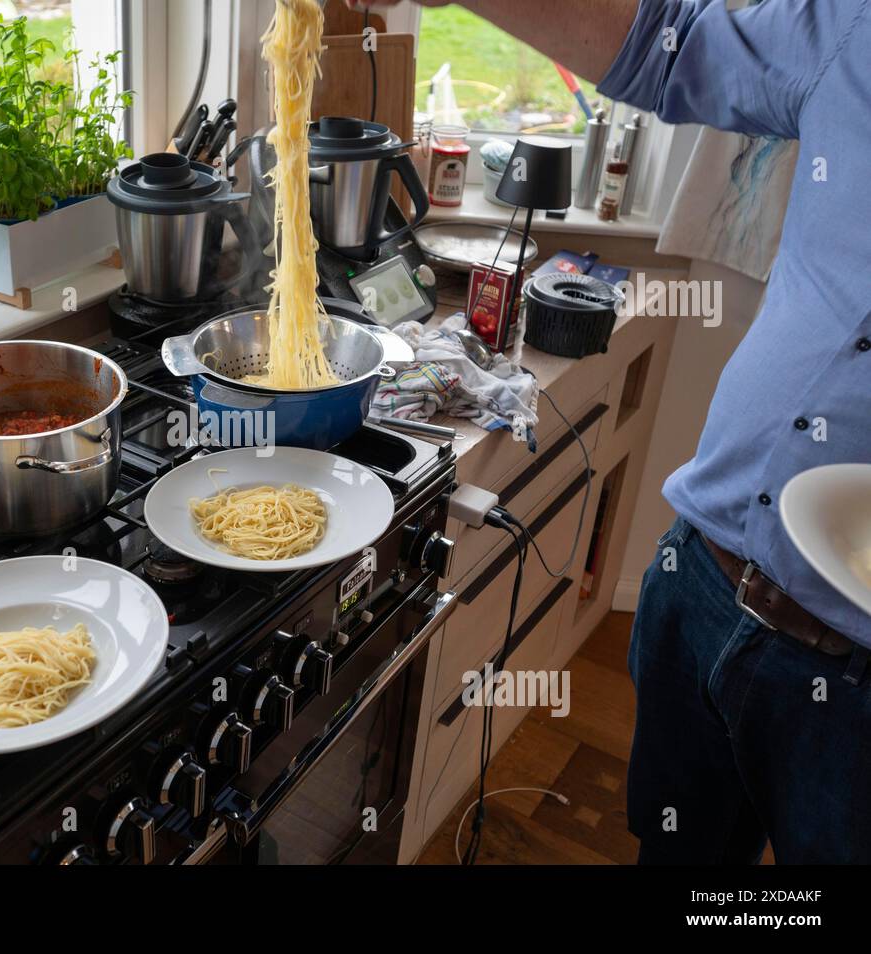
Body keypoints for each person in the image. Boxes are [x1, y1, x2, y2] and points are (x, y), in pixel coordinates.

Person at [367, 0, 871, 863]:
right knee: (676, 851)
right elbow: (666, 45)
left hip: (854, 673)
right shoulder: (856, 30)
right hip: (704, 572)